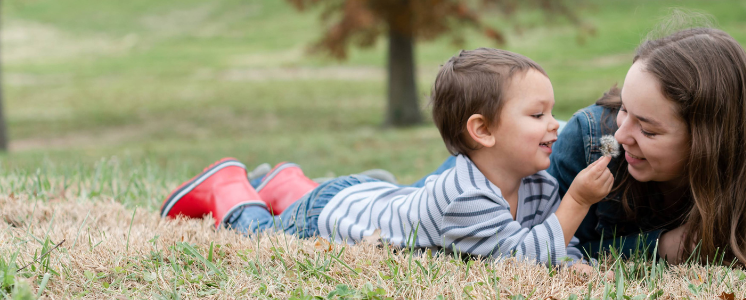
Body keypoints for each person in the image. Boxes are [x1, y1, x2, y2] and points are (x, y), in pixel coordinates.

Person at [158, 48, 615, 266]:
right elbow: (519, 258)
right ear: (482, 130)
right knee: (259, 236)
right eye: (538, 114)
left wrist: (577, 269)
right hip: (327, 217)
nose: (556, 123)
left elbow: (557, 240)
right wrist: (577, 201)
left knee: (328, 196)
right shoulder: (463, 196)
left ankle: (285, 184)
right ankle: (226, 185)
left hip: (366, 196)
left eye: (552, 111)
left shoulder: (535, 182)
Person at [424, 28, 746, 271]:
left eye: (648, 129)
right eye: (625, 109)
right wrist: (660, 247)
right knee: (418, 203)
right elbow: (553, 244)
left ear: (706, 142)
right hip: (487, 169)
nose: (622, 136)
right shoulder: (589, 143)